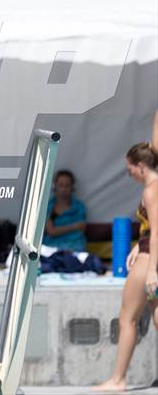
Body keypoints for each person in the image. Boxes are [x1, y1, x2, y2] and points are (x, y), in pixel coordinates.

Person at [92, 112, 158, 392]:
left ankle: (118, 379)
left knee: (127, 317)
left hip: (150, 260)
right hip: (145, 252)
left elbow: (157, 232)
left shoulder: (151, 191)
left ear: (141, 166)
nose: (129, 173)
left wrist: (152, 269)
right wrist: (136, 245)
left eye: (130, 168)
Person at [43, 169, 87, 252]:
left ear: (72, 187)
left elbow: (82, 228)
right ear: (54, 186)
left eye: (67, 186)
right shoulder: (48, 206)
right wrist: (74, 227)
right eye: (60, 185)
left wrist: (57, 230)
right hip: (51, 247)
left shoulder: (79, 207)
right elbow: (51, 231)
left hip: (75, 246)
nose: (63, 189)